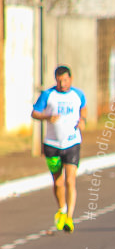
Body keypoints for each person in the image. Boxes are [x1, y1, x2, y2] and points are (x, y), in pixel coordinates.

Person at [31, 65, 86, 233]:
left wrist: (82, 119)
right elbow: (34, 113)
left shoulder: (78, 94)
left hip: (72, 143)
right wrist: (47, 116)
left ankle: (69, 217)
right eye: (59, 80)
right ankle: (62, 208)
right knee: (58, 181)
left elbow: (83, 106)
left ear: (71, 78)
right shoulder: (48, 95)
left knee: (70, 180)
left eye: (65, 79)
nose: (62, 83)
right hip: (52, 145)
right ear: (56, 80)